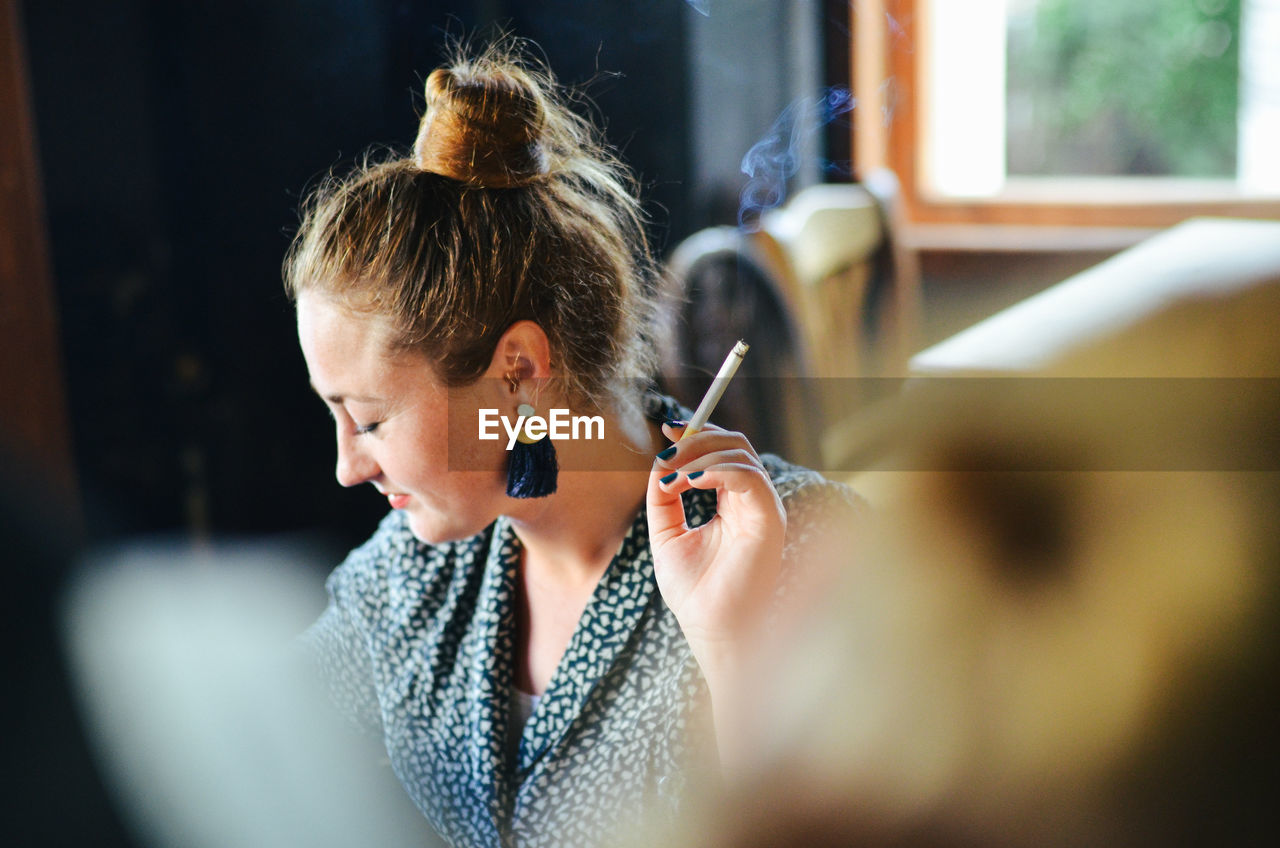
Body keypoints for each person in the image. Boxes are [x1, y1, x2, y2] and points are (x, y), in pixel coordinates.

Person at [285, 39, 860, 848]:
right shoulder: (416, 571)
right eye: (335, 415)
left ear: (517, 368)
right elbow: (240, 750)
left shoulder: (812, 547)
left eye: (372, 419)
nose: (348, 466)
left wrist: (732, 654)